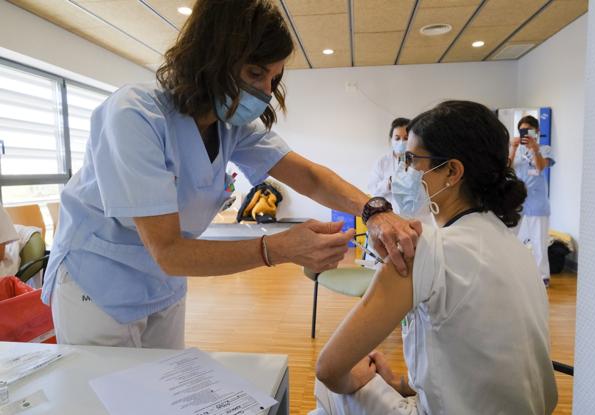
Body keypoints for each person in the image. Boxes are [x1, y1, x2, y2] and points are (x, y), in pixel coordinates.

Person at [41, 0, 419, 348]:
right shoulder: (134, 116)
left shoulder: (230, 127)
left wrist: (374, 210)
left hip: (164, 280)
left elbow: (310, 178)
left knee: (163, 387)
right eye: (255, 73)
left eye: (274, 78)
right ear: (210, 58)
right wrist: (279, 248)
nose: (266, 92)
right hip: (98, 277)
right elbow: (168, 250)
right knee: (104, 398)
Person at [314, 101, 557, 415]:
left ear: (452, 172)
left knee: (330, 391)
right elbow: (471, 361)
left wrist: (359, 379)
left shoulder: (421, 249)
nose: (406, 170)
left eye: (414, 160)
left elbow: (328, 368)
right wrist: (399, 383)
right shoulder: (514, 247)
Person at [509, 115, 556, 286]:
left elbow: (540, 167)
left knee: (539, 240)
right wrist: (513, 149)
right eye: (522, 131)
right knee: (509, 236)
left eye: (528, 130)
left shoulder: (545, 149)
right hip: (518, 199)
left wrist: (535, 149)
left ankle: (542, 277)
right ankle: (511, 271)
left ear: (537, 131)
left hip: (537, 201)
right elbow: (507, 169)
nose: (525, 134)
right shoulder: (517, 149)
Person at [367, 117, 410, 203]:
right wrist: (389, 183)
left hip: (413, 214)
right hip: (388, 212)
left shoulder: (420, 161)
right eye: (397, 138)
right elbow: (373, 191)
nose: (401, 142)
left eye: (406, 138)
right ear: (391, 140)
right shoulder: (381, 162)